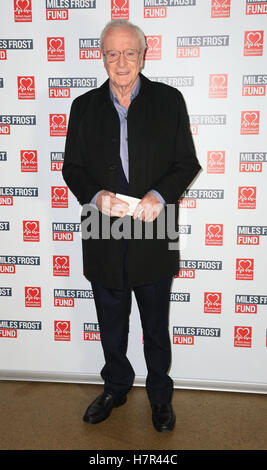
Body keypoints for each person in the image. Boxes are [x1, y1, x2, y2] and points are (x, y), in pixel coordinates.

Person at [62, 19, 201, 433]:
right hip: (102, 227)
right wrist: (95, 196)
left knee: (156, 324)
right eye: (112, 53)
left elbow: (186, 163)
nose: (120, 62)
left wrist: (160, 196)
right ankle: (116, 387)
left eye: (129, 52)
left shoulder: (169, 100)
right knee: (111, 321)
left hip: (154, 226)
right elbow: (72, 167)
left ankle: (160, 396)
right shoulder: (83, 106)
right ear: (101, 56)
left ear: (143, 54)